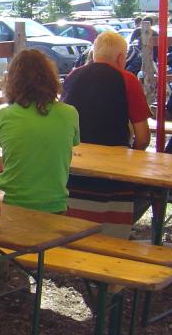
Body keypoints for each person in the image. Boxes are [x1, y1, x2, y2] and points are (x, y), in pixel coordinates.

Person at [61, 31, 153, 236]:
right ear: (121, 57)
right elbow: (143, 137)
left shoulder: (73, 76)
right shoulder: (127, 79)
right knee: (150, 190)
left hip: (72, 168)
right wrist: (132, 158)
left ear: (94, 53)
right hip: (113, 176)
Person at [0, 49, 80, 213]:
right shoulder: (70, 114)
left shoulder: (2, 117)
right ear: (50, 79)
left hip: (8, 205)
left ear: (11, 82)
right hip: (54, 207)